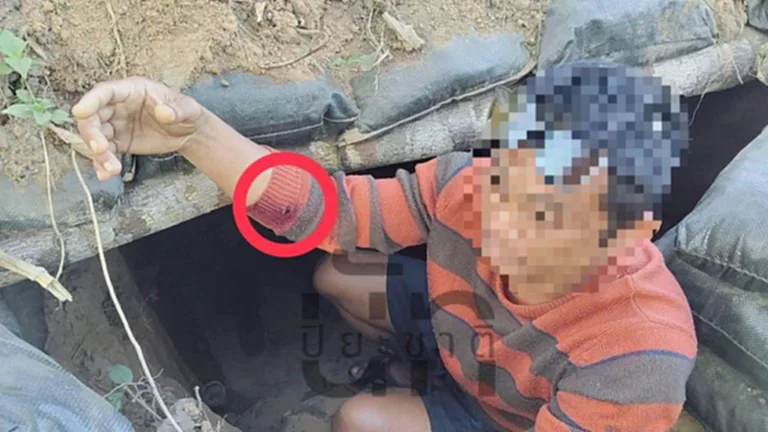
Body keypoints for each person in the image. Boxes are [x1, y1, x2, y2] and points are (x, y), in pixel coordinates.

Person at [72, 64, 697, 431]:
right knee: (337, 275)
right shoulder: (468, 188)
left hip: (511, 415)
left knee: (358, 420)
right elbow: (332, 210)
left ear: (634, 229)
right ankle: (424, 368)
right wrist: (195, 134)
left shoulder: (636, 361)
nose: (512, 228)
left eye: (559, 214)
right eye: (510, 185)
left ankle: (432, 390)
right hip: (465, 331)